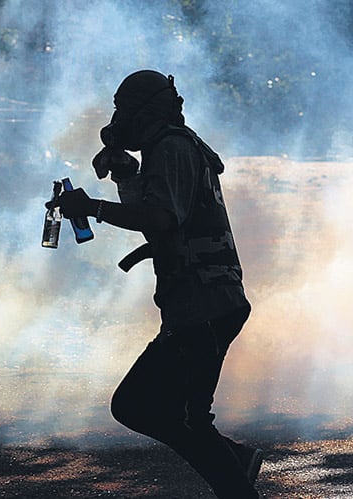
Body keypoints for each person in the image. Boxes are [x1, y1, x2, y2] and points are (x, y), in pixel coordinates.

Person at [49, 69, 263, 498]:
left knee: (159, 412)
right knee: (171, 414)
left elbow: (161, 219)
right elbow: (160, 221)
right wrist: (128, 175)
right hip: (198, 303)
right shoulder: (166, 150)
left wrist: (92, 206)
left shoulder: (171, 148)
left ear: (146, 111)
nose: (117, 118)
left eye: (123, 109)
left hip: (204, 303)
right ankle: (234, 461)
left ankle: (234, 469)